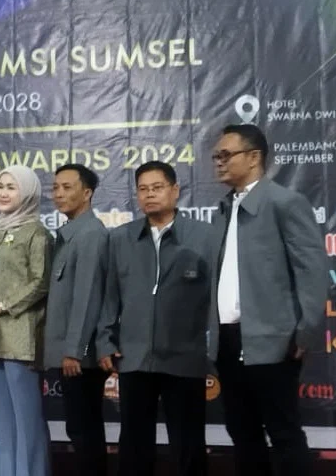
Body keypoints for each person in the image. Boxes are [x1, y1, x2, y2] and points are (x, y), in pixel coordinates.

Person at [211, 125, 329, 476]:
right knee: (241, 431)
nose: (218, 162)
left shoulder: (285, 202)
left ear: (254, 157)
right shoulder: (224, 208)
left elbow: (312, 271)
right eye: (216, 156)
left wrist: (305, 331)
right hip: (228, 339)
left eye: (226, 155)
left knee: (283, 432)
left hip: (273, 339)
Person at [97, 162, 220, 476]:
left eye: (157, 187)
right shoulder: (120, 238)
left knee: (188, 444)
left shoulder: (205, 236)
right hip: (134, 357)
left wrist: (214, 347)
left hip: (186, 357)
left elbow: (218, 298)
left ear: (175, 191)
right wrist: (105, 340)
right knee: (134, 445)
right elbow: (109, 296)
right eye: (143, 189)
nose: (149, 195)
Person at [0, 165, 51, 476]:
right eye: (0, 186)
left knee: (27, 422)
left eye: (11, 187)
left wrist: (1, 306)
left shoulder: (38, 233)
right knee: (3, 423)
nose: (2, 193)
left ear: (28, 192)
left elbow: (40, 282)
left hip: (21, 338)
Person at [42, 163, 109, 474]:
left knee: (85, 431)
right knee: (79, 429)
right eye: (55, 187)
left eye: (67, 187)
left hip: (80, 358)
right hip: (72, 354)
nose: (59, 194)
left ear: (87, 193)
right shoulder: (70, 235)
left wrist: (74, 351)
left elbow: (87, 297)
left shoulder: (91, 234)